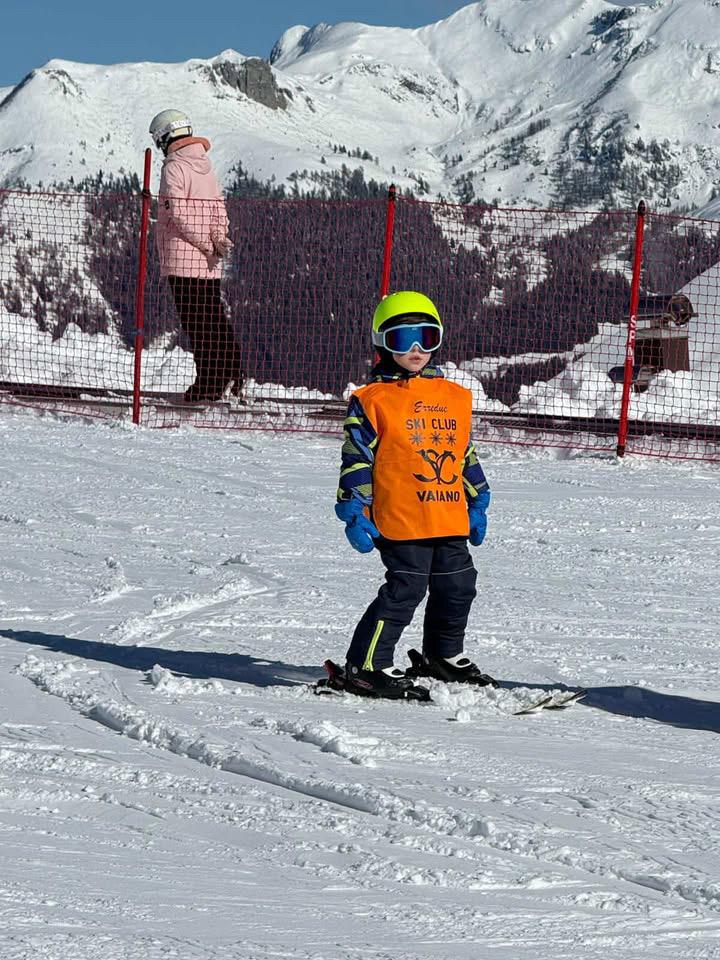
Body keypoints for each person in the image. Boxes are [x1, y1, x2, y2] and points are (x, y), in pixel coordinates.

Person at [334, 291, 494, 700]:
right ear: (382, 342)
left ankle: (443, 655)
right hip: (401, 517)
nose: (417, 349)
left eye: (427, 336)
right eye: (403, 339)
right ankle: (366, 665)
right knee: (406, 589)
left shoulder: (454, 397)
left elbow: (464, 452)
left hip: (448, 515)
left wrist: (478, 497)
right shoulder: (372, 401)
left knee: (459, 586)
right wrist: (355, 506)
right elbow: (357, 457)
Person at [150, 109, 241, 402]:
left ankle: (207, 385)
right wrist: (217, 240)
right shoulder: (206, 166)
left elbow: (176, 213)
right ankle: (232, 372)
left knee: (196, 323)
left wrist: (204, 243)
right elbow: (218, 208)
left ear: (165, 136)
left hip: (182, 259)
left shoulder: (173, 168)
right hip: (209, 262)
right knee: (213, 317)